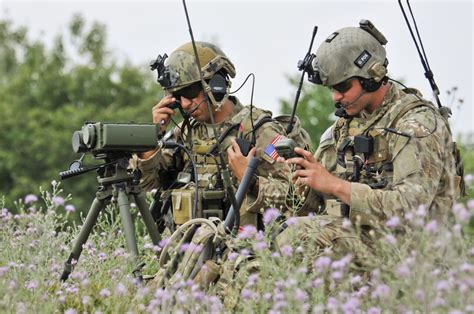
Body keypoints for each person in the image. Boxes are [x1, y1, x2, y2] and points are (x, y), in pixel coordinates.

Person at [276, 19, 461, 263]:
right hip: (363, 242)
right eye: (331, 88)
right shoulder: (343, 128)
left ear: (372, 76)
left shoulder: (416, 125)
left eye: (342, 86)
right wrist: (306, 180)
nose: (335, 96)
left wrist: (335, 185)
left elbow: (411, 208)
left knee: (300, 237)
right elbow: (312, 209)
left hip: (413, 256)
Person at [132, 41, 307, 230]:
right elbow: (147, 182)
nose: (184, 103)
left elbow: (298, 198)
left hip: (244, 253)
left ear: (216, 85)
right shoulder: (185, 133)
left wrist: (250, 180)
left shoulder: (259, 131)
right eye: (177, 95)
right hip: (186, 250)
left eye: (189, 92)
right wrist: (152, 136)